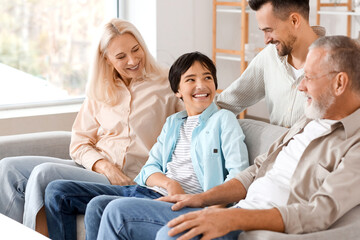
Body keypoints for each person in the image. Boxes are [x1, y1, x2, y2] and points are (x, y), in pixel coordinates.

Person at [95, 35, 360, 240]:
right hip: (236, 211)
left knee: (170, 234)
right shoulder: (308, 120)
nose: (300, 86)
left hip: (251, 222)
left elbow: (319, 212)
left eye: (309, 78)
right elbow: (254, 171)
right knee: (113, 211)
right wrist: (199, 199)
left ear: (339, 83)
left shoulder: (354, 145)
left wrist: (232, 218)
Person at [0, 18, 183, 235]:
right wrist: (104, 166)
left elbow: (199, 113)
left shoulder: (166, 83)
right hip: (98, 169)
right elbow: (79, 143)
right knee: (8, 168)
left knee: (44, 173)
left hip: (132, 177)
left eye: (136, 50)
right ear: (107, 59)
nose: (133, 60)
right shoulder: (101, 88)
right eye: (121, 56)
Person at [44, 51, 249, 240]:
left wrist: (210, 208)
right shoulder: (174, 122)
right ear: (177, 91)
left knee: (108, 208)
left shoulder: (223, 120)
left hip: (188, 205)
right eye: (191, 80)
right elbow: (148, 170)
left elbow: (238, 175)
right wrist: (170, 184)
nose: (202, 85)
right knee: (61, 192)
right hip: (152, 192)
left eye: (207, 78)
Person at [215, 0, 325, 128]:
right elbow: (227, 103)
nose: (266, 40)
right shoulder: (269, 56)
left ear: (294, 20)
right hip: (276, 147)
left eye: (269, 30)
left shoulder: (337, 62)